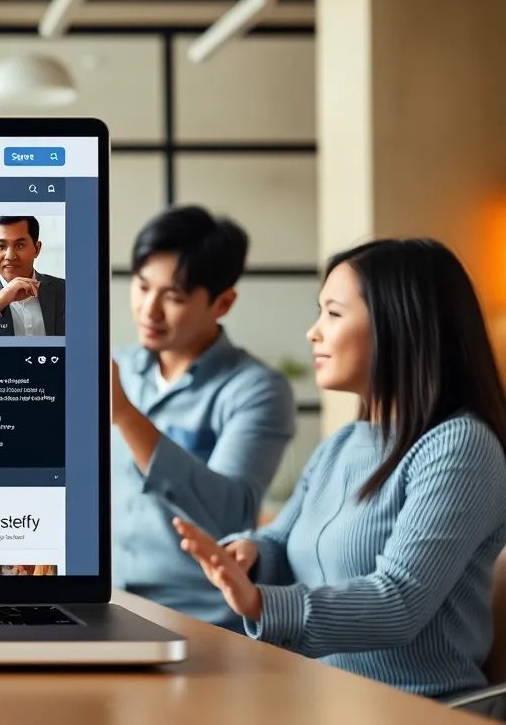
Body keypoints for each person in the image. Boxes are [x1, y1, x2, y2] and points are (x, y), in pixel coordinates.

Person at [176, 238, 506, 700]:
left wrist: (262, 603)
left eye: (333, 313)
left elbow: (400, 603)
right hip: (326, 696)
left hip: (420, 706)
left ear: (400, 325)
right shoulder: (343, 445)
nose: (313, 332)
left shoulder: (459, 447)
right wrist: (249, 554)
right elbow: (282, 541)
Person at [111, 206, 295, 630]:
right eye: (141, 287)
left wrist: (122, 413)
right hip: (108, 602)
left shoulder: (256, 389)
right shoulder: (119, 366)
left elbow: (232, 514)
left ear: (223, 303)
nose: (149, 311)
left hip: (200, 620)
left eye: (173, 297)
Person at [0, 216, 65, 336]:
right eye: (1, 246)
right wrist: (0, 301)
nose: (9, 256)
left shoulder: (64, 289)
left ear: (37, 249)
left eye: (19, 246)